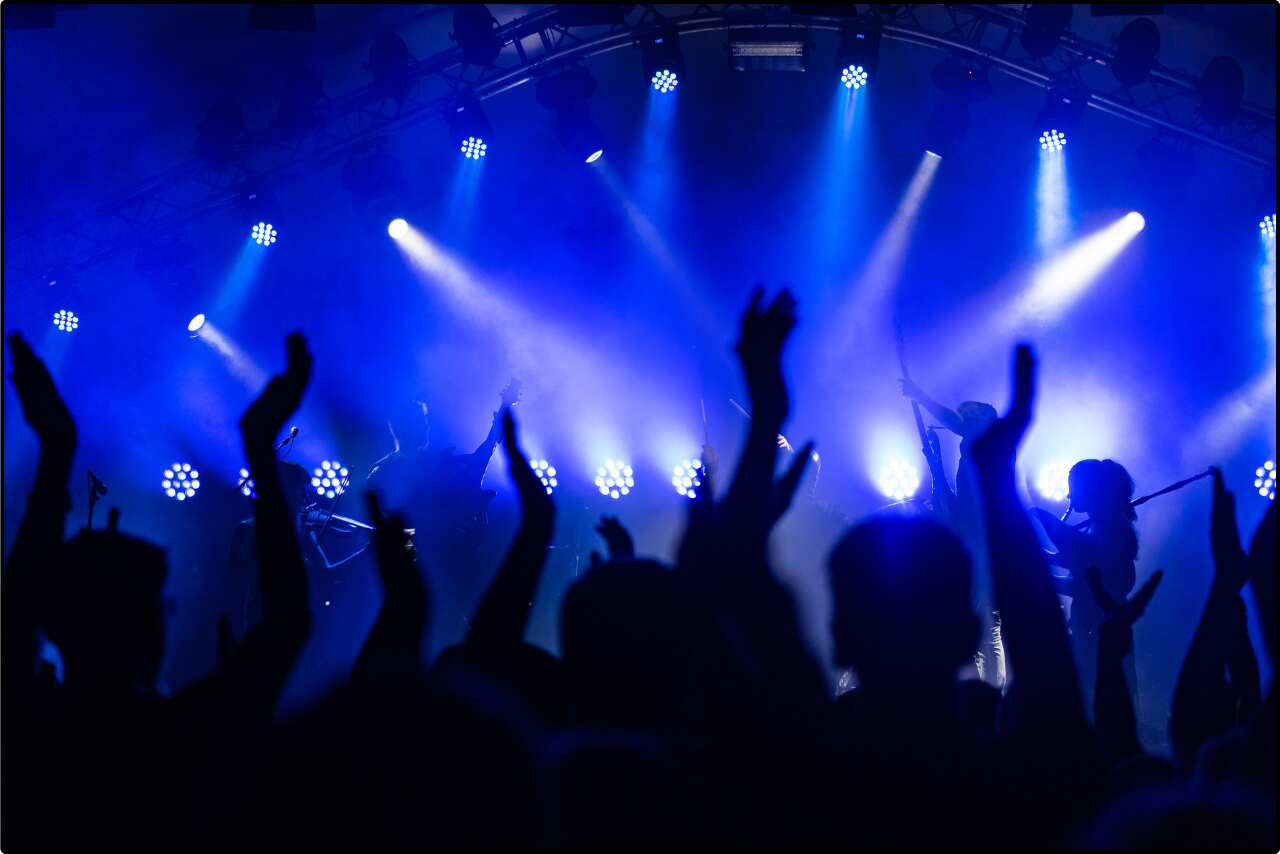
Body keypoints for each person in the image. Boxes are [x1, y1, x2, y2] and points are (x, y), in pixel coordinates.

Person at [899, 377, 1004, 685]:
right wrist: (935, 462)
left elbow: (956, 422)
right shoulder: (971, 457)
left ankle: (991, 696)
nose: (959, 416)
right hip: (976, 546)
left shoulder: (985, 449)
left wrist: (919, 394)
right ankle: (980, 693)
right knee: (979, 624)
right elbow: (955, 506)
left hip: (985, 548)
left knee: (986, 625)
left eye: (966, 413)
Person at [1032, 459, 1139, 713]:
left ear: (1091, 489)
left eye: (1074, 487)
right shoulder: (1100, 527)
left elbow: (1078, 555)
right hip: (1090, 626)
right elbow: (1078, 572)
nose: (1069, 494)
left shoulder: (1112, 530)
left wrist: (1039, 515)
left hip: (1102, 631)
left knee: (1102, 701)